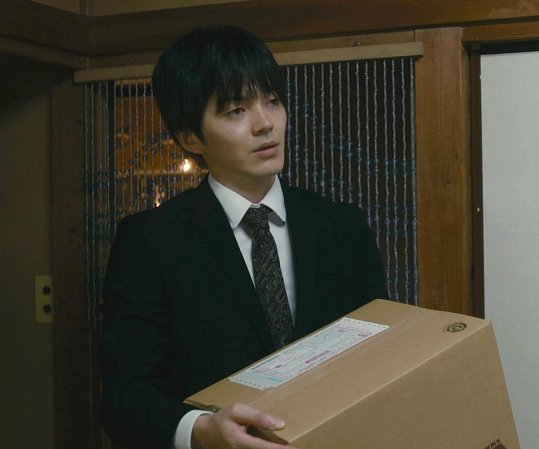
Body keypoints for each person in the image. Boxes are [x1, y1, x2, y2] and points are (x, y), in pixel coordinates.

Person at [100, 26, 388, 449]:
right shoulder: (150, 241)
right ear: (189, 137)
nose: (265, 123)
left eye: (272, 101)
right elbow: (125, 394)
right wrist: (201, 429)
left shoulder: (341, 226)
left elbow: (382, 353)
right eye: (236, 110)